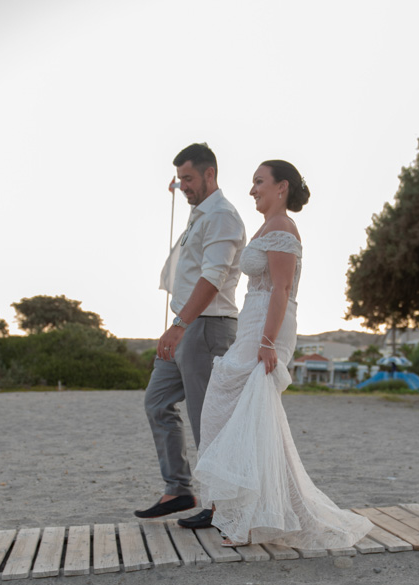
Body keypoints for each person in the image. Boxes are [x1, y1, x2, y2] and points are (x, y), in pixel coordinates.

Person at [192, 160, 373, 548]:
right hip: (253, 325)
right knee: (236, 416)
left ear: (282, 187)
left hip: (267, 329)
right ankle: (252, 515)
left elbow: (282, 288)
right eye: (252, 183)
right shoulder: (265, 228)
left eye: (259, 182)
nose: (253, 189)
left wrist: (268, 342)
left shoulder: (283, 228)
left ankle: (250, 523)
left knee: (248, 415)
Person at [136, 143, 246, 520]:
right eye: (180, 178)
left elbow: (213, 278)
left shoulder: (222, 217)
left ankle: (220, 503)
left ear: (209, 174)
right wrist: (178, 324)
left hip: (206, 328)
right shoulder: (199, 216)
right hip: (185, 326)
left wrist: (180, 325)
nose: (183, 185)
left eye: (188, 178)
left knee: (207, 417)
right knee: (157, 402)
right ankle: (178, 490)